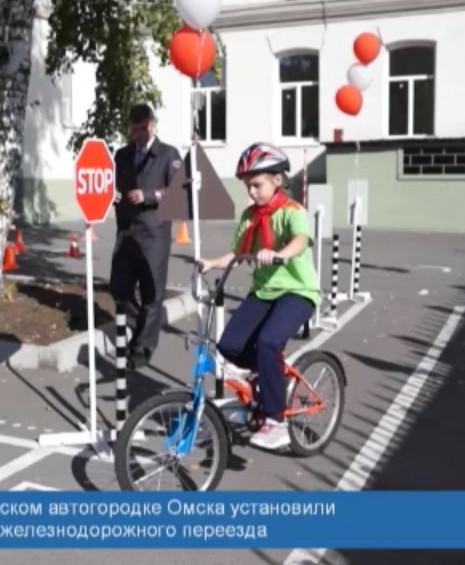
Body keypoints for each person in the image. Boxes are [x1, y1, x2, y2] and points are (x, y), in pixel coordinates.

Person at [196, 142, 320, 451]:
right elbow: (239, 253)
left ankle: (276, 421)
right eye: (247, 186)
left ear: (277, 180)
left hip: (297, 291)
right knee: (228, 345)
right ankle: (266, 374)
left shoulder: (292, 211)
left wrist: (279, 254)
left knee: (267, 342)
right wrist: (211, 263)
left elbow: (300, 240)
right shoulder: (250, 216)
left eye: (257, 185)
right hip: (264, 292)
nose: (251, 192)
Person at [110, 103, 182, 369]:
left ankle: (142, 347)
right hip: (126, 230)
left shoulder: (168, 155)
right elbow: (111, 183)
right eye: (134, 129)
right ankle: (141, 326)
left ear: (151, 125)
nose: (139, 134)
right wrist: (111, 195)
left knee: (152, 293)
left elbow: (179, 192)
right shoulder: (122, 155)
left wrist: (149, 195)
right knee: (119, 288)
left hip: (154, 233)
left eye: (143, 128)